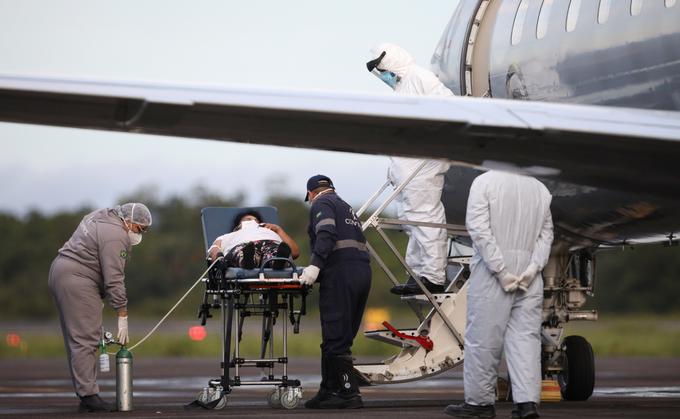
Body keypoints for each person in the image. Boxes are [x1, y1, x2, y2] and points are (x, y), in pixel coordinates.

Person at [445, 171, 553, 419]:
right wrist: (533, 268)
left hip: (492, 273)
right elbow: (546, 235)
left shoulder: (484, 182)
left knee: (483, 339)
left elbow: (479, 229)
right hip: (529, 274)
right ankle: (526, 404)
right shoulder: (540, 188)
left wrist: (500, 270)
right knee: (526, 339)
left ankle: (480, 404)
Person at [366, 42, 453, 295]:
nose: (382, 75)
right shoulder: (402, 86)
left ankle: (434, 276)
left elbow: (448, 107)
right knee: (411, 220)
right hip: (407, 170)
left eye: (382, 69)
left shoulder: (420, 76)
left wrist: (431, 140)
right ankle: (418, 275)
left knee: (424, 217)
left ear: (391, 62)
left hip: (423, 166)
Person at [48, 203, 152, 413]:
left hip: (61, 272)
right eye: (140, 228)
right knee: (85, 339)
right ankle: (89, 398)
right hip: (78, 279)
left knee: (77, 339)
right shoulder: (115, 235)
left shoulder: (103, 216)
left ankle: (85, 393)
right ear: (129, 222)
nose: (140, 234)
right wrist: (122, 314)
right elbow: (114, 279)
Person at [298, 175, 372, 409]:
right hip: (361, 273)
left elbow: (326, 233)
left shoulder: (322, 203)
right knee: (340, 336)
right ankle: (328, 390)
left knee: (335, 336)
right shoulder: (346, 207)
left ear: (311, 194)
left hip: (341, 274)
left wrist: (315, 265)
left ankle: (349, 394)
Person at [207, 210, 300, 269]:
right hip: (242, 245)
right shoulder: (228, 236)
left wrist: (278, 230)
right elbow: (214, 248)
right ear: (238, 225)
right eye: (247, 219)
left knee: (274, 251)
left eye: (255, 220)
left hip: (269, 242)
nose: (252, 221)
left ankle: (278, 261)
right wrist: (219, 258)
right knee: (243, 252)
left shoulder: (270, 231)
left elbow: (295, 253)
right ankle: (248, 260)